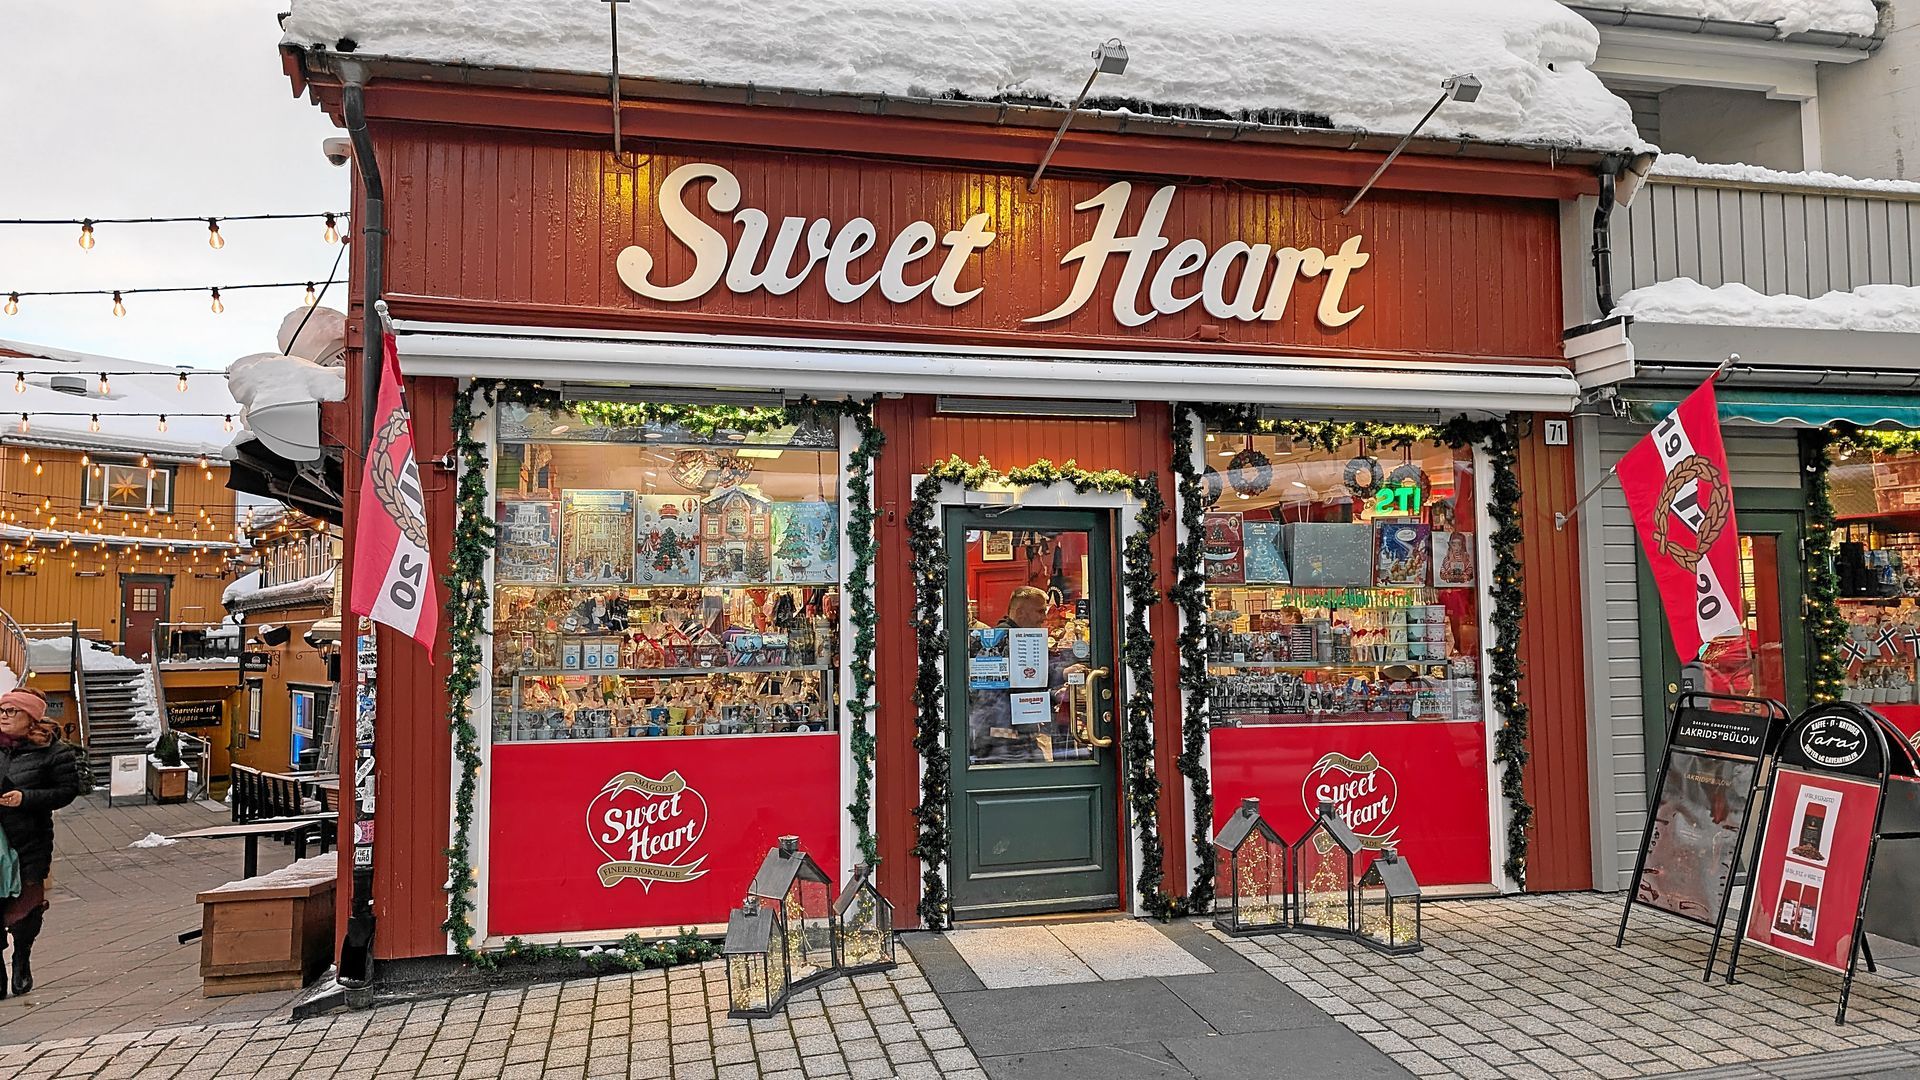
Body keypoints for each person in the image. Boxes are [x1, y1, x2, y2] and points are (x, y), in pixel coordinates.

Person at [0, 688, 90, 997]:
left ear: (31, 717)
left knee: (26, 907)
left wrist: (26, 798)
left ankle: (21, 955)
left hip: (30, 842)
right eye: (1, 710)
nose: (4, 716)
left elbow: (66, 791)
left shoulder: (54, 752)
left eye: (12, 711)